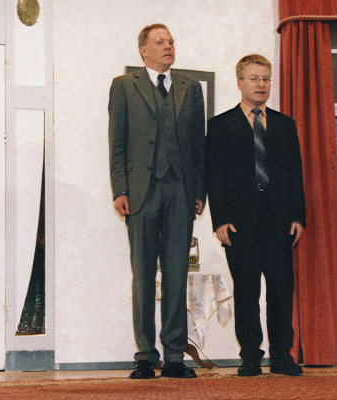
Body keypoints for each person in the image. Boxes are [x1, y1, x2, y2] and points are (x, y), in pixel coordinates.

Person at [108, 23, 205, 379]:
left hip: (180, 189)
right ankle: (146, 356)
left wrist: (199, 191)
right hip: (140, 191)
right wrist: (119, 189)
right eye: (160, 41)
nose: (168, 46)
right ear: (143, 50)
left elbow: (198, 145)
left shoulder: (190, 88)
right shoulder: (124, 86)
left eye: (171, 41)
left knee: (177, 274)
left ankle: (175, 357)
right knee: (144, 275)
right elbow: (116, 142)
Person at [205, 54, 306, 377]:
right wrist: (220, 219)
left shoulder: (285, 124)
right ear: (240, 83)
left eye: (265, 79)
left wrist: (298, 216)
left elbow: (295, 173)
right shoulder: (220, 126)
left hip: (280, 224)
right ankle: (250, 356)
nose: (261, 84)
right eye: (254, 78)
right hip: (239, 225)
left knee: (281, 291)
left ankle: (282, 356)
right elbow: (215, 176)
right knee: (247, 292)